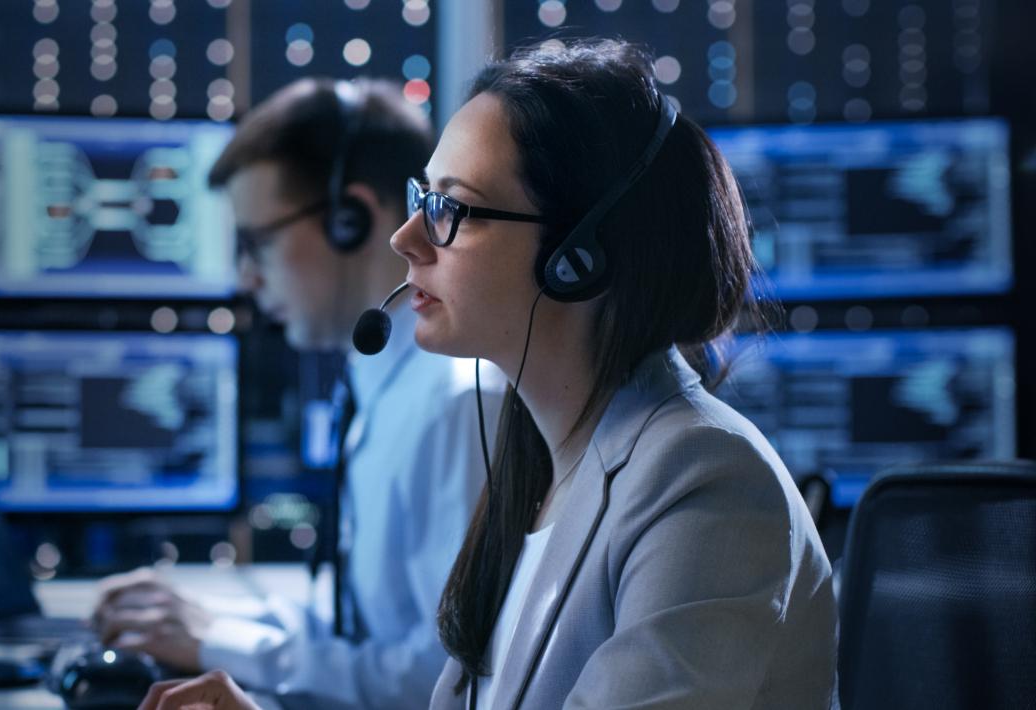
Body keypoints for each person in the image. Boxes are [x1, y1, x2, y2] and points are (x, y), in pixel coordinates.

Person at [131, 39, 837, 710]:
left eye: (452, 211)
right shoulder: (536, 463)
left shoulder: (706, 482)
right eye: (421, 200)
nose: (406, 240)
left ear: (576, 257)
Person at [94, 77, 498, 710]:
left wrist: (219, 642)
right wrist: (208, 625)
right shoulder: (379, 383)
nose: (246, 277)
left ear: (350, 219)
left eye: (257, 242)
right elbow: (364, 627)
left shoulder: (456, 403)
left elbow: (444, 682)